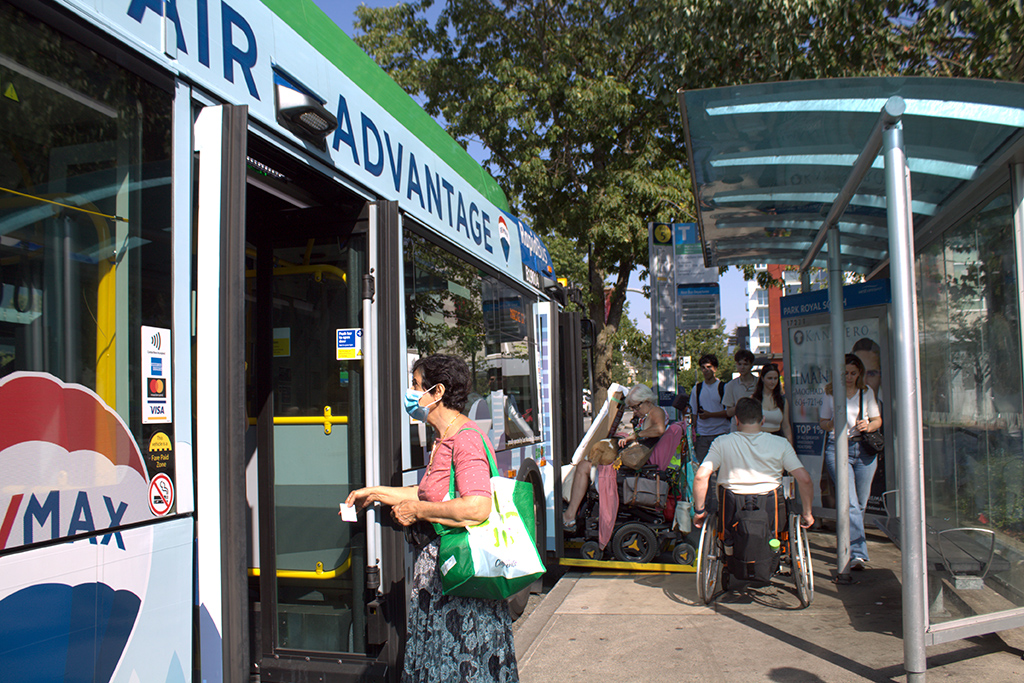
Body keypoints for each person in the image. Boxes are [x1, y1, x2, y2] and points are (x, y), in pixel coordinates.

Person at [345, 355, 518, 682]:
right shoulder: (445, 437)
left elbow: (477, 507)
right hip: (445, 583)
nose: (410, 393)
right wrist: (378, 493)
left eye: (415, 385)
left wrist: (418, 512)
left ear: (437, 391)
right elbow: (430, 493)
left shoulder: (463, 438)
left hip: (460, 584)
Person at [692, 397, 814, 532]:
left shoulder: (721, 443)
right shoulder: (781, 444)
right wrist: (807, 513)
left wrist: (699, 511)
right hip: (770, 509)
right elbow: (805, 479)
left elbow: (700, 477)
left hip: (731, 511)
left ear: (737, 420)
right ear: (763, 420)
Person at [818, 353, 882, 571]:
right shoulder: (830, 393)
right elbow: (823, 423)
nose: (849, 377)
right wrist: (834, 422)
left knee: (860, 503)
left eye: (853, 373)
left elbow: (877, 420)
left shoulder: (866, 393)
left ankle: (848, 542)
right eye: (845, 373)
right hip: (838, 447)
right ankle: (857, 554)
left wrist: (869, 426)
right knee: (851, 503)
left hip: (863, 449)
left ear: (859, 373)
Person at [688, 354, 730, 464]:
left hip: (721, 433)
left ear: (715, 369)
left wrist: (710, 414)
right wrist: (693, 432)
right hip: (703, 434)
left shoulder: (723, 387)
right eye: (703, 367)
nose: (706, 370)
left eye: (709, 367)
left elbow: (728, 412)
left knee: (722, 467)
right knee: (702, 467)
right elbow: (694, 412)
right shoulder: (697, 389)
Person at [753, 363, 793, 445]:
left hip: (777, 439)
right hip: (759, 440)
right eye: (769, 378)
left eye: (775, 378)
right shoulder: (754, 399)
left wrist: (790, 447)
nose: (773, 382)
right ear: (763, 379)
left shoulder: (782, 400)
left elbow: (786, 426)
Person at [723, 349, 758, 429]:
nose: (742, 367)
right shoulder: (731, 385)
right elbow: (728, 412)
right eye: (739, 364)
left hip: (757, 426)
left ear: (751, 365)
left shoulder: (759, 383)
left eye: (746, 364)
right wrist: (744, 405)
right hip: (737, 428)